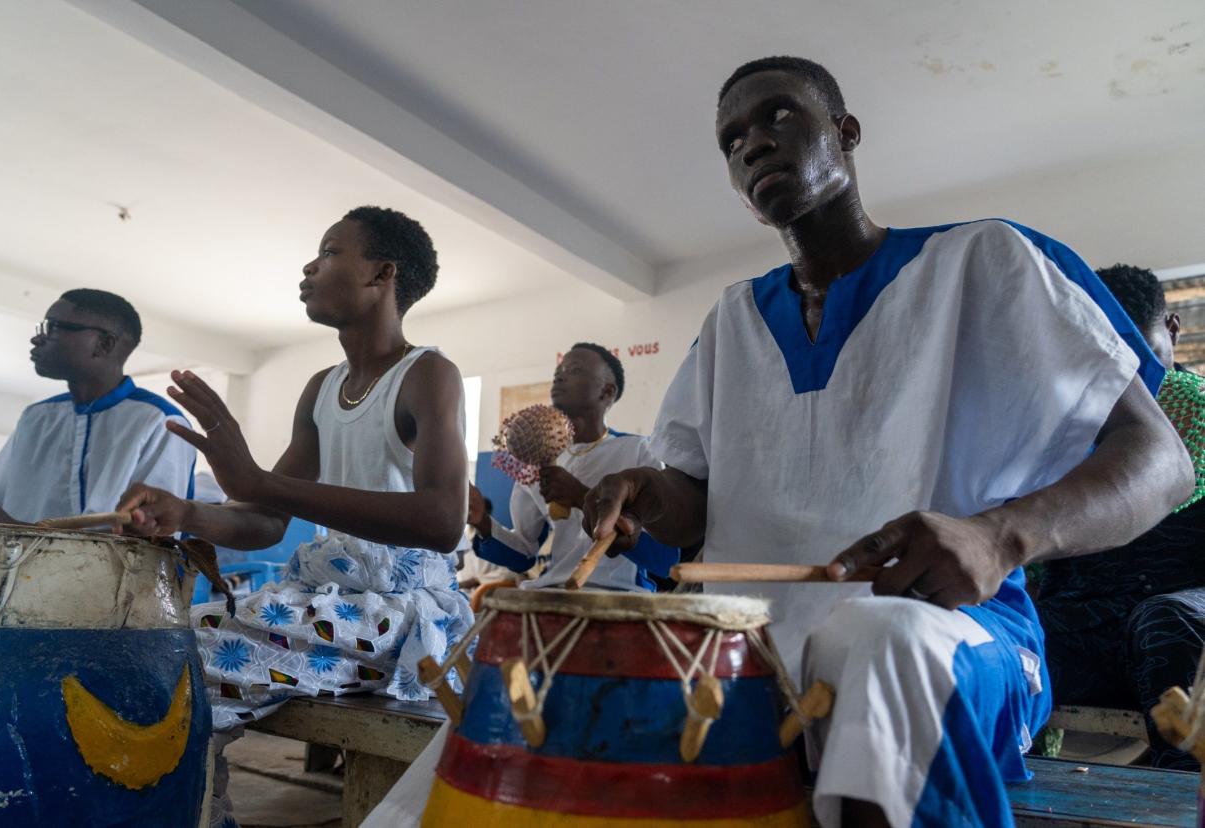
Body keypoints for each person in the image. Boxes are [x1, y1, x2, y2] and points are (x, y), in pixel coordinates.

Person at [574, 58, 1192, 828]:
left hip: (959, 637)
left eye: (777, 118)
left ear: (846, 131)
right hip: (749, 652)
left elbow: (1163, 463)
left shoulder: (983, 261)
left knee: (875, 640)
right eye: (732, 141)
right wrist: (647, 494)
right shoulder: (729, 322)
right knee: (551, 661)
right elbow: (688, 504)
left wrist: (1000, 535)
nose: (753, 146)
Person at [116, 207, 473, 826]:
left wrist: (259, 480)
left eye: (331, 252)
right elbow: (264, 520)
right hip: (335, 603)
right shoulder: (321, 387)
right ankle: (198, 805)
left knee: (190, 654)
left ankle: (195, 808)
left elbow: (443, 521)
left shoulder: (428, 375)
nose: (310, 267)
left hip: (402, 616)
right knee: (158, 640)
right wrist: (187, 513)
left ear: (382, 273)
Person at [1038, 264, 1205, 769]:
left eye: (1139, 351)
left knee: (1163, 619)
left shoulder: (1193, 406)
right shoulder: (1061, 427)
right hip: (1091, 621)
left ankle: (1179, 801)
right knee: (1003, 631)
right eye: (1109, 354)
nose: (1129, 376)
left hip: (1177, 610)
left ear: (1172, 330)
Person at [0, 289, 195, 524]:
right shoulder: (36, 417)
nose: (37, 339)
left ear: (104, 344)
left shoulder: (159, 422)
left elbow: (153, 542)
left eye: (53, 327)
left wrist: (14, 529)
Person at [469, 343, 678, 591]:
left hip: (620, 593)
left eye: (575, 370)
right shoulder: (535, 462)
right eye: (558, 371)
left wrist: (580, 496)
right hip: (553, 590)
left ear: (607, 392)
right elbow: (523, 554)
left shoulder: (638, 451)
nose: (560, 376)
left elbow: (665, 560)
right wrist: (482, 521)